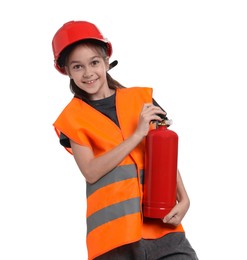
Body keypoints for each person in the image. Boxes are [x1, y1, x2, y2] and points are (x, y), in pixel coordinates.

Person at [51, 20, 198, 260]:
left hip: (162, 229)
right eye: (77, 67)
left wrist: (184, 198)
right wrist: (138, 134)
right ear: (66, 70)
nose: (88, 73)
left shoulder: (141, 99)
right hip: (113, 242)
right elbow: (90, 171)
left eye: (94, 62)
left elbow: (164, 156)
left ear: (107, 62)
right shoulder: (72, 118)